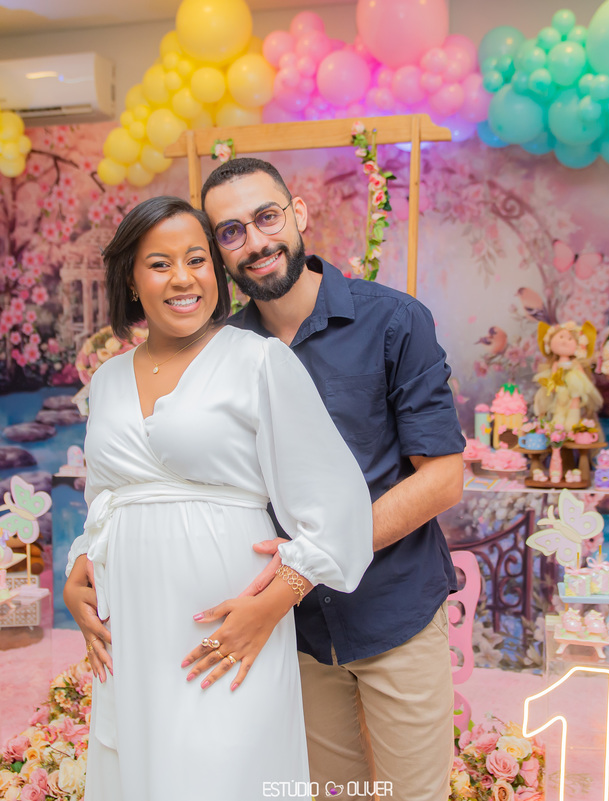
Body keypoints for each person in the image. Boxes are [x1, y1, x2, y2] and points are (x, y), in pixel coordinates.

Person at [63, 195, 373, 800]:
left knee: (227, 777)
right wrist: (80, 567)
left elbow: (338, 509)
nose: (183, 278)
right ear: (131, 278)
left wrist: (273, 604)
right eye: (160, 264)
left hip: (231, 631)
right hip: (132, 633)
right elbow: (104, 500)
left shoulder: (259, 361)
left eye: (197, 259)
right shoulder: (106, 380)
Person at [200, 157, 465, 800]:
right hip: (296, 634)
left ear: (298, 214)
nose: (255, 241)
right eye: (231, 231)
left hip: (394, 610)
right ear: (218, 249)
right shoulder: (221, 352)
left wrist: (308, 564)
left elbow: (442, 480)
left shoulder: (393, 321)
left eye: (267, 217)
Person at [532, 320, 601, 432]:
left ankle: (572, 421)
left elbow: (583, 378)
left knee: (575, 400)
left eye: (569, 339)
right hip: (560, 386)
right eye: (561, 337)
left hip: (574, 387)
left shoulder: (576, 364)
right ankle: (558, 421)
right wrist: (552, 386)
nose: (564, 341)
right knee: (560, 402)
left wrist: (583, 386)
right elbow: (553, 376)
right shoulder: (556, 364)